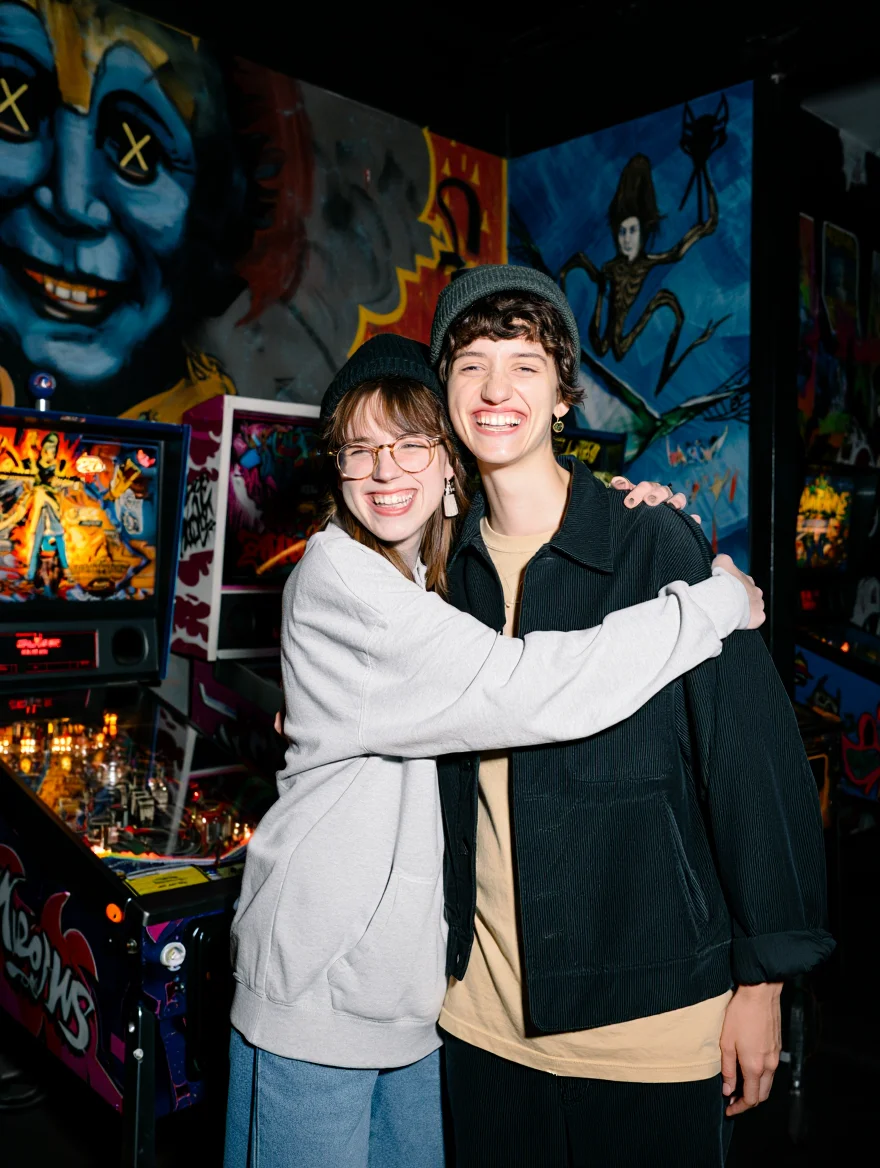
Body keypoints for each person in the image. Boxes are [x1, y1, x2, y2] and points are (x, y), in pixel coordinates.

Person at [223, 333, 763, 1168]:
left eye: (409, 443)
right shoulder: (343, 578)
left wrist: (630, 508)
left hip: (412, 996)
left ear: (449, 462)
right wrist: (710, 603)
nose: (383, 469)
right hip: (317, 990)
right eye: (359, 449)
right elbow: (527, 686)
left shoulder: (433, 577)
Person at [429, 265, 834, 1167]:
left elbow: (750, 768)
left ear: (565, 395)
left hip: (651, 1028)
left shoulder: (652, 540)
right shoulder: (438, 576)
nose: (497, 389)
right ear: (446, 394)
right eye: (471, 364)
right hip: (480, 1026)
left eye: (525, 364)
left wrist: (764, 981)